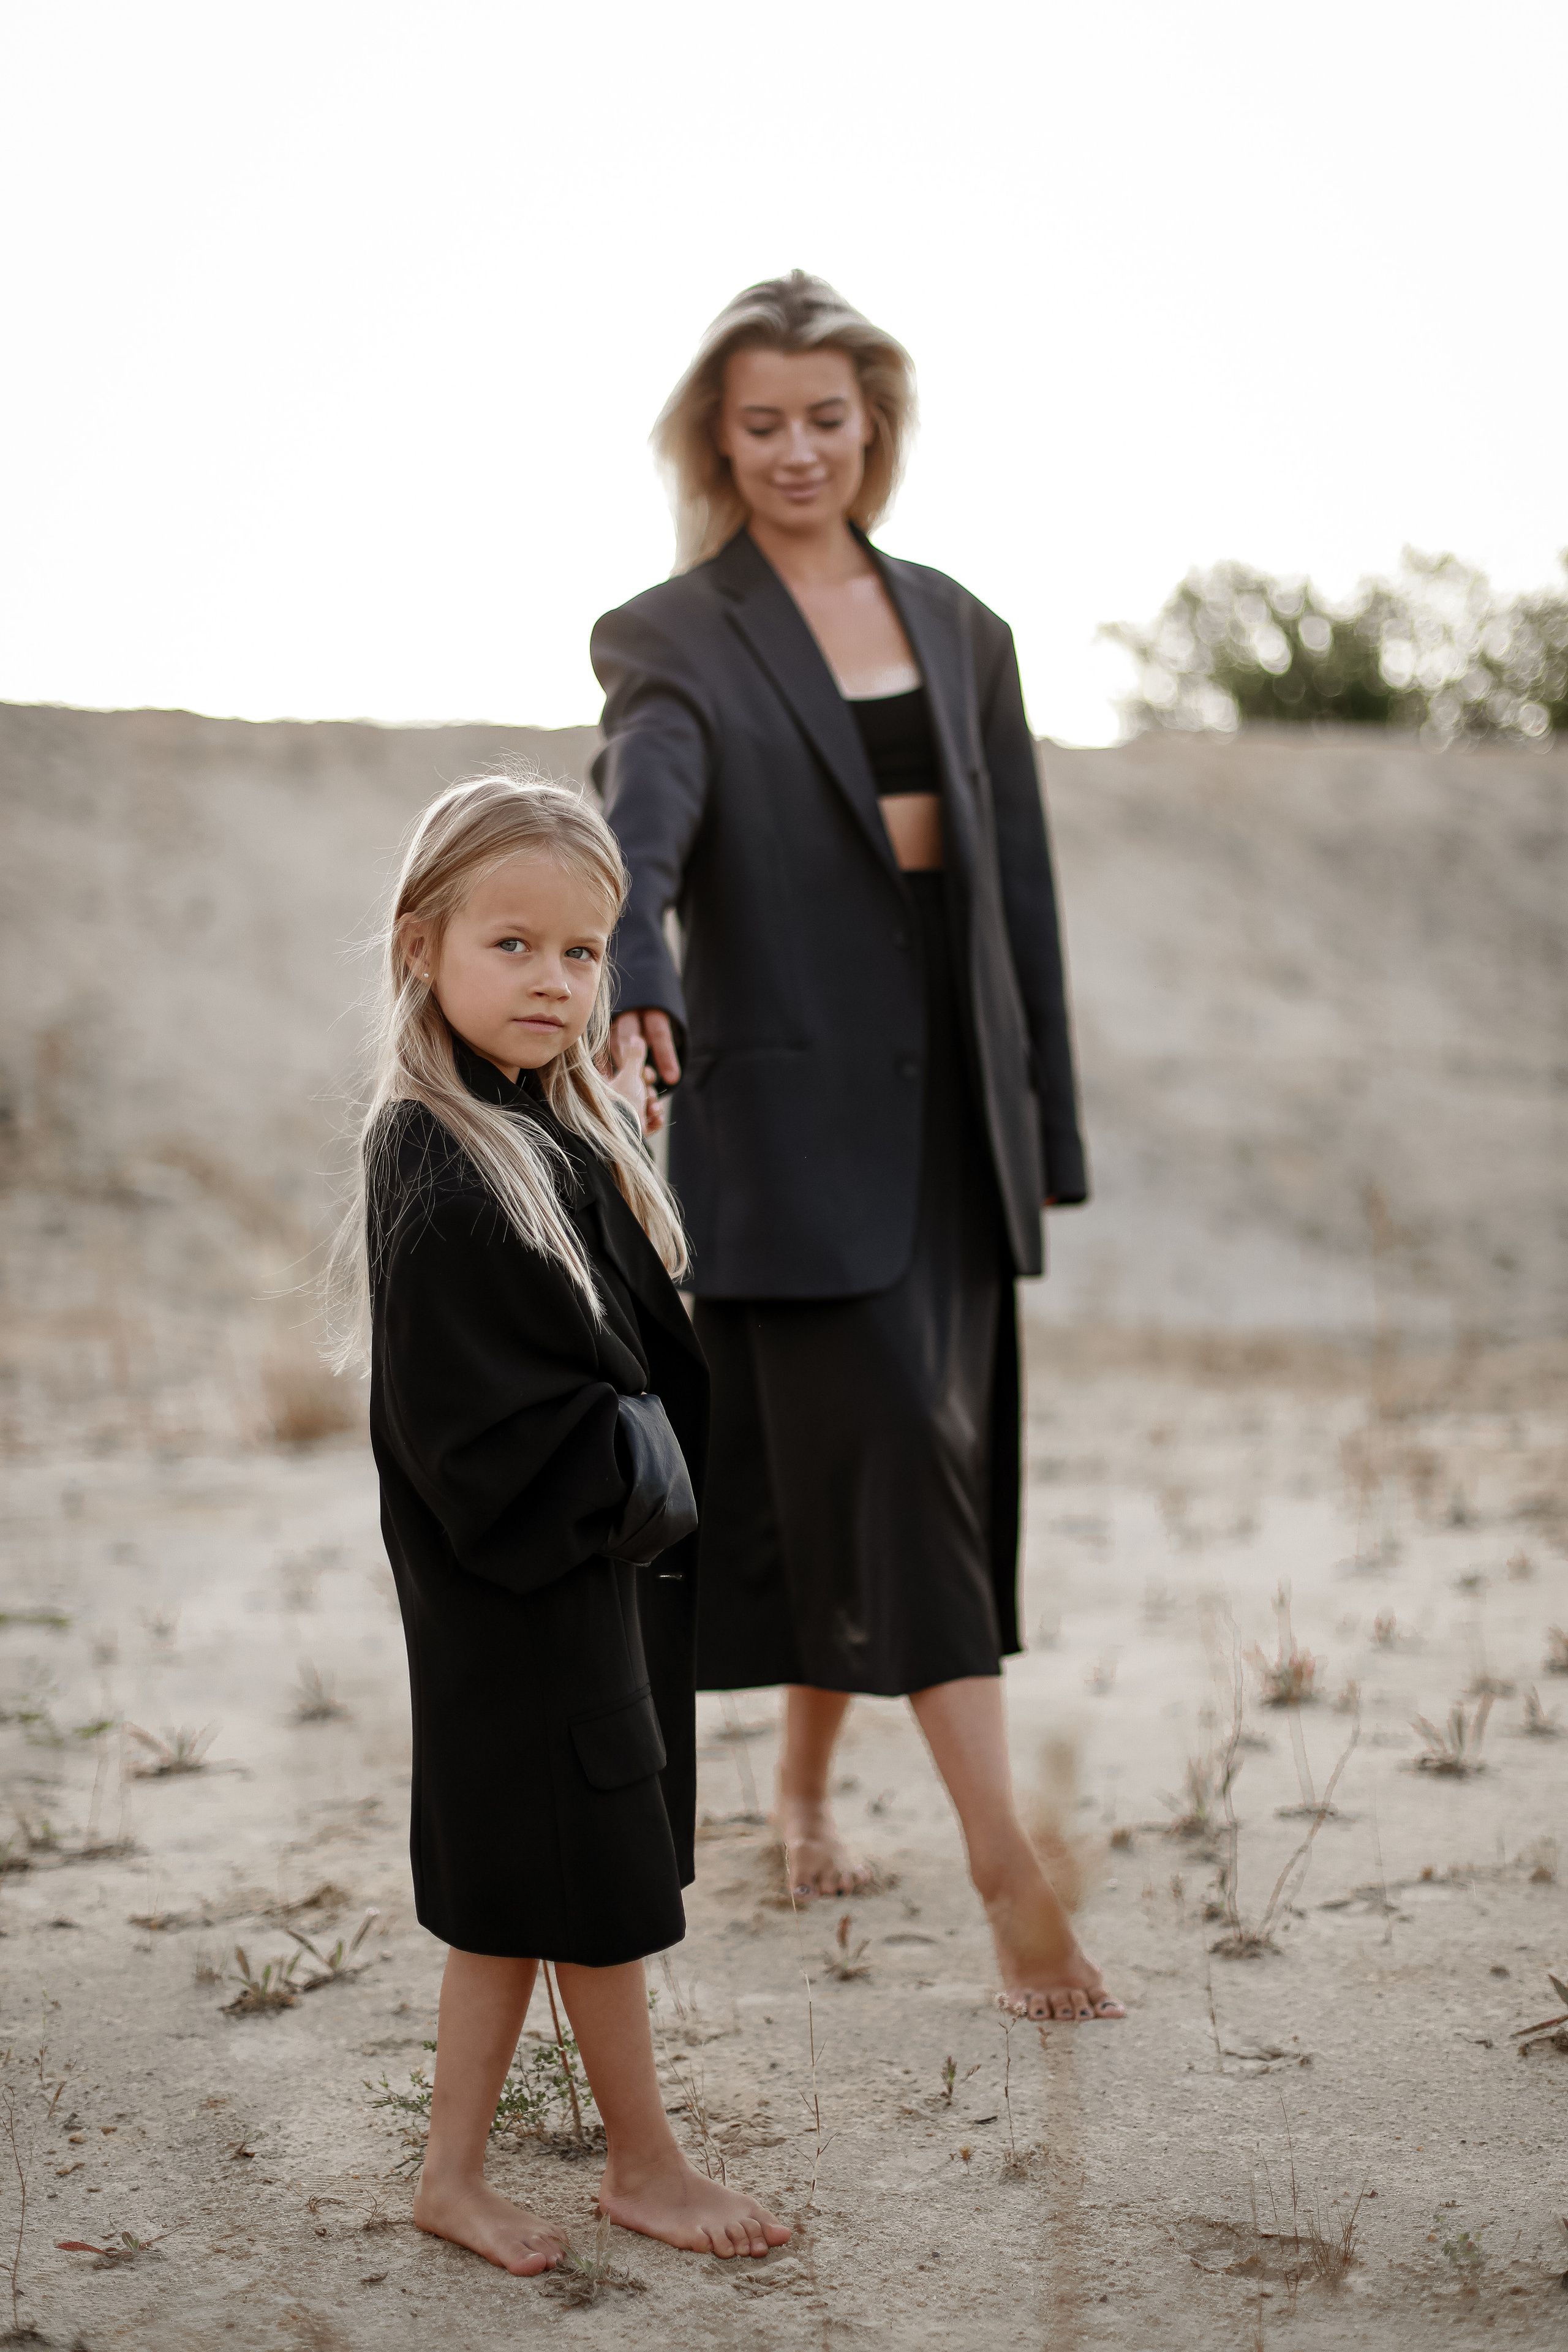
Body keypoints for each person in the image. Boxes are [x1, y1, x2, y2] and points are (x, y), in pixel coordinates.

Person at [592, 271, 1121, 2025]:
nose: (799, 449)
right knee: (901, 1467)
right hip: (792, 1126)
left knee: (877, 1470)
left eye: (829, 417)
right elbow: (643, 810)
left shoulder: (963, 627)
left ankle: (803, 1793)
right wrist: (636, 959)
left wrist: (1037, 1122)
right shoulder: (673, 633)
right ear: (717, 439)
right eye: (763, 423)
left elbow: (1013, 891)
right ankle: (1006, 1871)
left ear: (872, 427)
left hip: (948, 1130)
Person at [328, 775, 791, 2271]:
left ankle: (450, 2177)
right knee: (586, 1894)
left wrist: (621, 1133)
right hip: (516, 1594)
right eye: (512, 945)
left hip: (577, 1587)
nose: (553, 982)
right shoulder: (434, 1155)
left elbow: (635, 1330)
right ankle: (643, 2165)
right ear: (422, 945)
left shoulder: (549, 1130)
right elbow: (478, 1428)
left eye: (584, 954)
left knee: (522, 1898)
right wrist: (642, 1462)